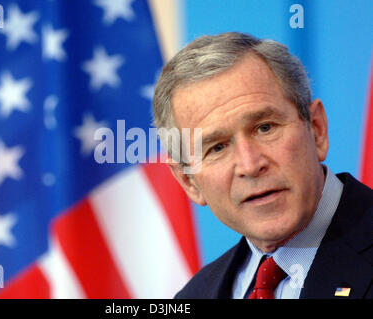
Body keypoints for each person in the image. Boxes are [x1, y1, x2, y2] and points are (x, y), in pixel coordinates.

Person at [152, 32, 373, 299]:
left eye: (265, 128)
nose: (250, 164)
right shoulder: (193, 295)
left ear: (316, 130)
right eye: (217, 147)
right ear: (189, 181)